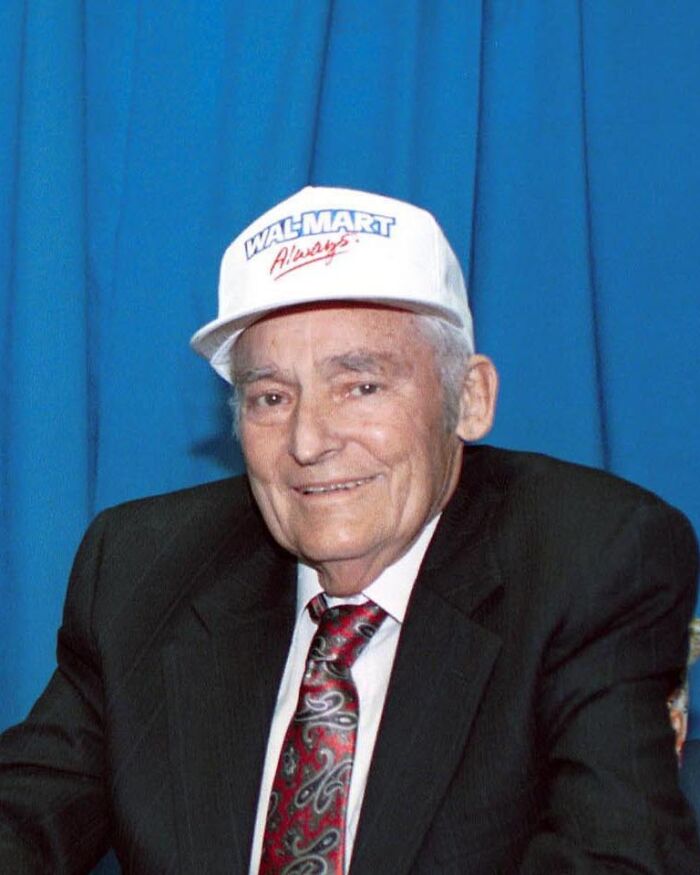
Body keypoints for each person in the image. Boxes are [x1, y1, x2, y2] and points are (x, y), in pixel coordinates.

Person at [0, 186, 698, 874]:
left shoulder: (592, 560)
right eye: (271, 396)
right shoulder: (144, 570)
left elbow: (620, 856)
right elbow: (23, 817)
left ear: (469, 398)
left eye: (361, 386)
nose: (308, 441)